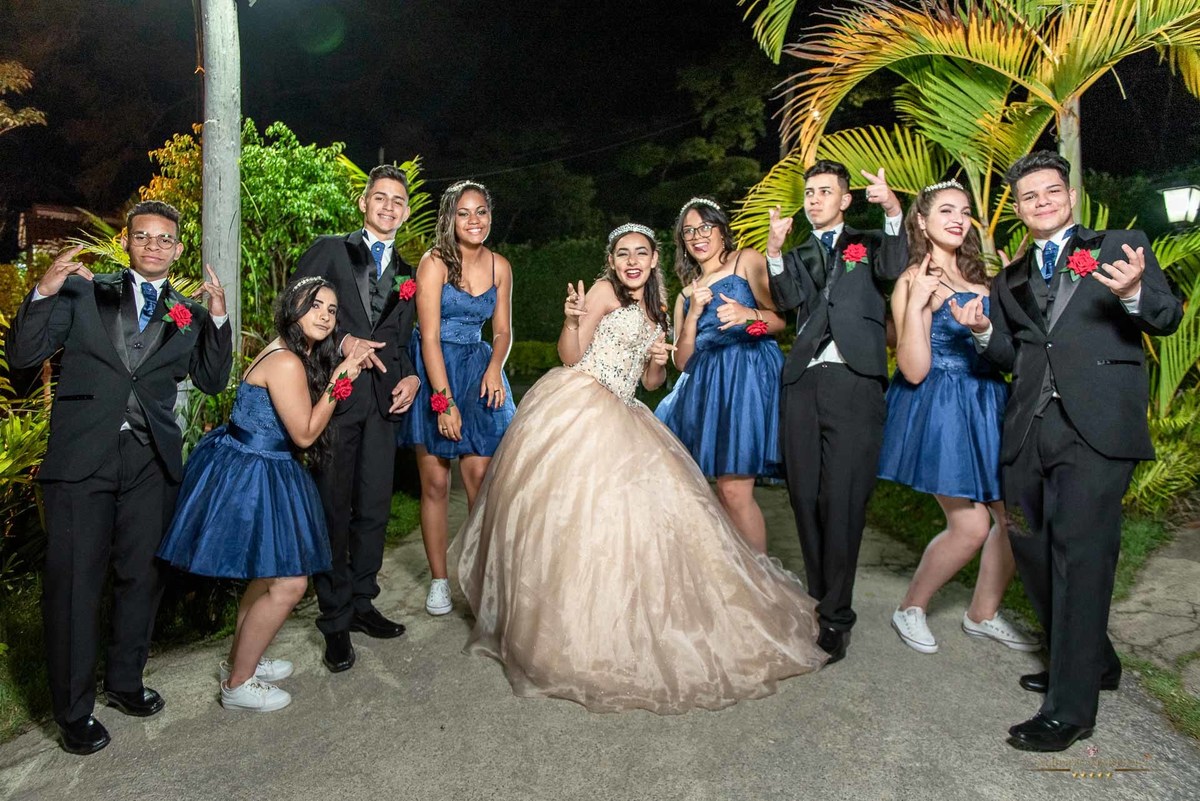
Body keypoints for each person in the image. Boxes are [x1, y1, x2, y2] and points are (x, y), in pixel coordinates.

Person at [451, 224, 827, 714]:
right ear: (612, 261)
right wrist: (571, 321)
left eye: (641, 254)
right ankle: (560, 630)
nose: (632, 261)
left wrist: (657, 360)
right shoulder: (603, 292)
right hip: (580, 404)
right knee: (573, 518)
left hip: (626, 408)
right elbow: (571, 356)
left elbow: (650, 382)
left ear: (653, 260)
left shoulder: (661, 307)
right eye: (623, 254)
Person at [950, 151, 1182, 751]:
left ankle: (1069, 709)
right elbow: (1013, 356)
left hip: (1097, 430)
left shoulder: (1121, 246)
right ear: (1019, 209)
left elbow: (1167, 316)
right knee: (1031, 549)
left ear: (1070, 195)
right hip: (1029, 431)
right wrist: (982, 332)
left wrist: (1133, 293)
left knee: (1080, 556)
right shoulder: (1010, 279)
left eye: (1050, 191)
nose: (1041, 202)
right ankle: (1093, 661)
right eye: (1028, 197)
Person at [7, 200, 233, 754]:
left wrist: (219, 317)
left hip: (150, 462)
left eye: (164, 238)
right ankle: (73, 711)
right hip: (81, 458)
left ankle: (126, 682)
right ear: (127, 242)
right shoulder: (84, 291)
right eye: (143, 236)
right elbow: (24, 353)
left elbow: (211, 378)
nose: (154, 245)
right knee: (75, 584)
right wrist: (43, 290)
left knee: (142, 576)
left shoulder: (186, 311)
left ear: (178, 248)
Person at [158, 278, 375, 711]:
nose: (324, 315)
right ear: (293, 308)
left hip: (260, 462)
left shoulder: (292, 352)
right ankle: (238, 684)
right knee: (290, 581)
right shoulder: (288, 362)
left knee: (266, 572)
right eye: (315, 305)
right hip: (255, 468)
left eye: (331, 310)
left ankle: (243, 660)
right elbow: (306, 433)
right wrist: (340, 380)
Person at [877, 180, 1037, 655]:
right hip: (942, 407)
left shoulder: (980, 277)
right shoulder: (912, 279)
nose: (958, 219)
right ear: (921, 221)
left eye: (964, 212)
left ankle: (982, 613)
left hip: (991, 403)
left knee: (1015, 520)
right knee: (971, 526)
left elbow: (1009, 344)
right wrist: (919, 307)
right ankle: (911, 607)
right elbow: (913, 369)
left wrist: (1015, 285)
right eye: (946, 210)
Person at [766, 161, 908, 664]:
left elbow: (893, 268)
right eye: (809, 192)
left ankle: (836, 617)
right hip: (803, 381)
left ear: (846, 200)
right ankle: (819, 599)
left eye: (825, 191)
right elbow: (787, 300)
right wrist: (775, 251)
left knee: (842, 499)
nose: (815, 199)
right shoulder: (798, 253)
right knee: (805, 496)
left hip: (855, 378)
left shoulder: (869, 243)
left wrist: (892, 208)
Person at [291, 164, 421, 673]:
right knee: (333, 508)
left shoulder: (408, 272)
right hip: (335, 398)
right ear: (364, 202)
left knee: (373, 508)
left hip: (385, 404)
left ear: (405, 212)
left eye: (398, 201)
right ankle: (335, 619)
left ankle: (364, 601)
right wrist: (342, 340)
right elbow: (295, 309)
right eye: (380, 198)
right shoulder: (330, 250)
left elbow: (402, 340)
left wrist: (411, 378)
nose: (389, 207)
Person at [398, 180, 515, 616]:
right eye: (464, 213)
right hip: (438, 370)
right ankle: (440, 580)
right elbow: (428, 337)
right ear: (450, 219)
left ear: (490, 215)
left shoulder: (500, 266)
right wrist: (443, 403)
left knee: (481, 480)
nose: (474, 220)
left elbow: (502, 331)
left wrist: (494, 367)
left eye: (481, 211)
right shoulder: (434, 263)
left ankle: (482, 578)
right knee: (435, 482)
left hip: (478, 370)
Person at [654, 197, 785, 552]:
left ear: (722, 230)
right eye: (689, 231)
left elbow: (778, 321)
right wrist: (694, 314)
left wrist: (748, 317)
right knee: (722, 493)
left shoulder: (746, 260)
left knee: (734, 490)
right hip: (708, 388)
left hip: (748, 377)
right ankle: (742, 572)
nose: (697, 236)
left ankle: (762, 578)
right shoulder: (685, 295)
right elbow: (682, 361)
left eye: (705, 227)